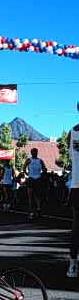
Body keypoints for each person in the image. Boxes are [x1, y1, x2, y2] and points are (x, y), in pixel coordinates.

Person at [66, 106, 79, 277]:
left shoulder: (72, 132)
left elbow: (71, 158)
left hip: (77, 185)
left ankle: (73, 265)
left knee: (76, 227)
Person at [23, 148, 47, 219]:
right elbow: (44, 169)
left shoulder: (33, 160)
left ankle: (33, 211)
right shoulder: (38, 160)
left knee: (33, 196)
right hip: (36, 179)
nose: (35, 153)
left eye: (35, 152)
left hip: (34, 179)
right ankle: (36, 210)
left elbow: (24, 169)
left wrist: (28, 174)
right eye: (34, 152)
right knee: (36, 196)